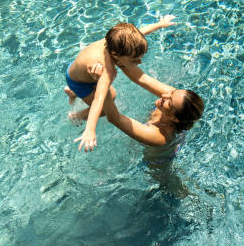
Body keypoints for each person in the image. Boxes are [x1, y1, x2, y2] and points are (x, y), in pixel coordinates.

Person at [65, 15, 176, 151]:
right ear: (115, 55)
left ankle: (72, 94)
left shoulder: (116, 41)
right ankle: (76, 115)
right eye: (134, 60)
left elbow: (140, 32)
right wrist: (90, 129)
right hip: (79, 82)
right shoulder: (107, 71)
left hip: (75, 68)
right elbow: (99, 99)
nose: (139, 63)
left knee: (112, 94)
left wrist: (160, 24)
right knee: (105, 109)